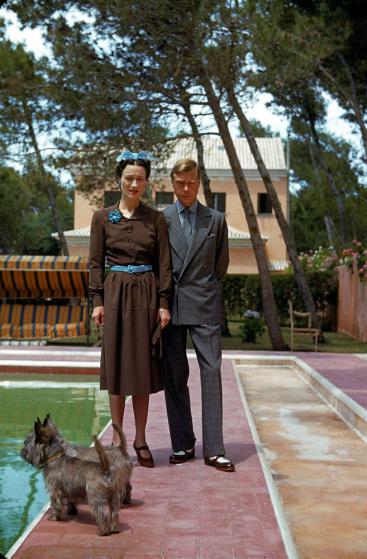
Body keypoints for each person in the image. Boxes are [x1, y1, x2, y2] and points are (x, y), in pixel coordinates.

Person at [89, 150, 171, 468]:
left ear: (146, 182)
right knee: (116, 367)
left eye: (140, 178)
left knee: (142, 368)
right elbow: (95, 263)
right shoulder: (102, 217)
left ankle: (140, 439)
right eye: (129, 178)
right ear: (119, 181)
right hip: (115, 295)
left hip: (147, 294)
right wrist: (97, 301)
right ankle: (118, 440)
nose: (134, 183)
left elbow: (164, 264)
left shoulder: (156, 218)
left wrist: (163, 304)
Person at [162, 158, 235, 472]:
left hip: (204, 302)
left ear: (198, 181)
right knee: (175, 376)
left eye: (191, 182)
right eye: (180, 183)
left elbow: (221, 265)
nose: (186, 188)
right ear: (173, 184)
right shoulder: (161, 219)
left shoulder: (215, 219)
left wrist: (205, 287)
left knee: (211, 373)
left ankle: (215, 449)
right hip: (173, 304)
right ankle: (182, 443)